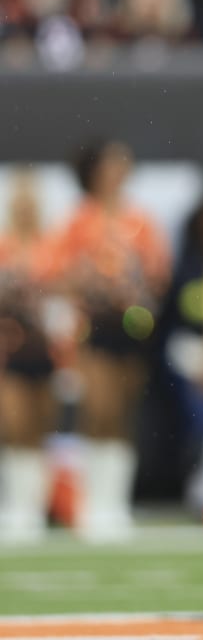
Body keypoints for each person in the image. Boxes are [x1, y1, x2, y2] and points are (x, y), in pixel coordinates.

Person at [45, 139, 170, 543]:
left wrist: (137, 284)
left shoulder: (140, 220)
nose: (120, 169)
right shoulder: (79, 220)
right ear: (96, 170)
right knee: (97, 409)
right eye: (113, 162)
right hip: (93, 324)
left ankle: (114, 503)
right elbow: (57, 271)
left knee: (122, 413)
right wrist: (89, 278)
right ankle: (90, 503)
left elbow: (159, 273)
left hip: (131, 326)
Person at [0, 169, 61, 544]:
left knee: (41, 427)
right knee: (15, 425)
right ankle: (17, 505)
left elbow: (63, 291)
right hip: (10, 348)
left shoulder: (51, 246)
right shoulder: (4, 245)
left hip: (46, 348)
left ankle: (35, 506)